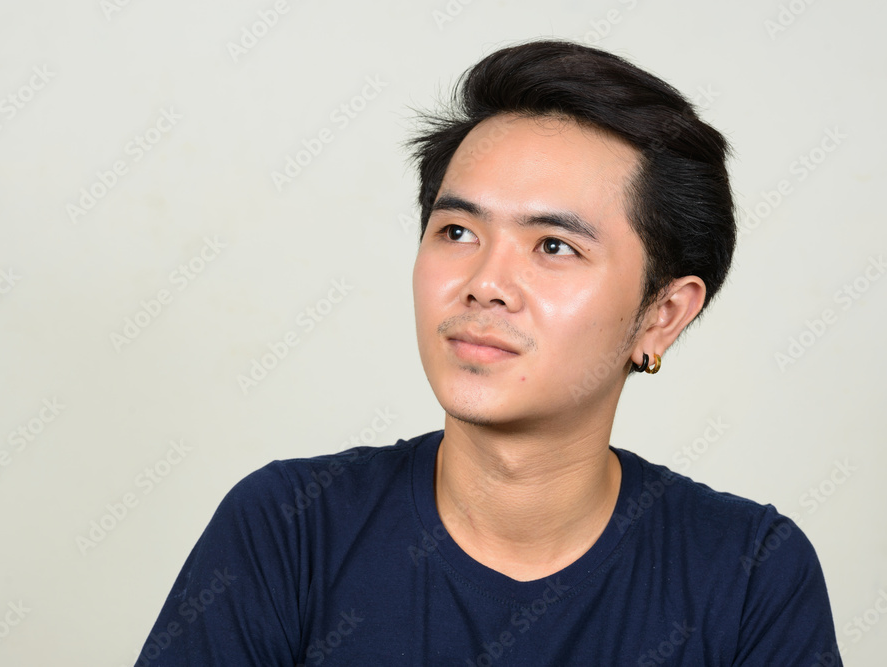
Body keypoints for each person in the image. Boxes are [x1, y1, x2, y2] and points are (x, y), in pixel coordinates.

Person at [134, 40, 840, 666]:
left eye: (554, 246)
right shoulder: (290, 529)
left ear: (663, 314)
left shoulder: (748, 575)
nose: (485, 284)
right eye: (458, 232)